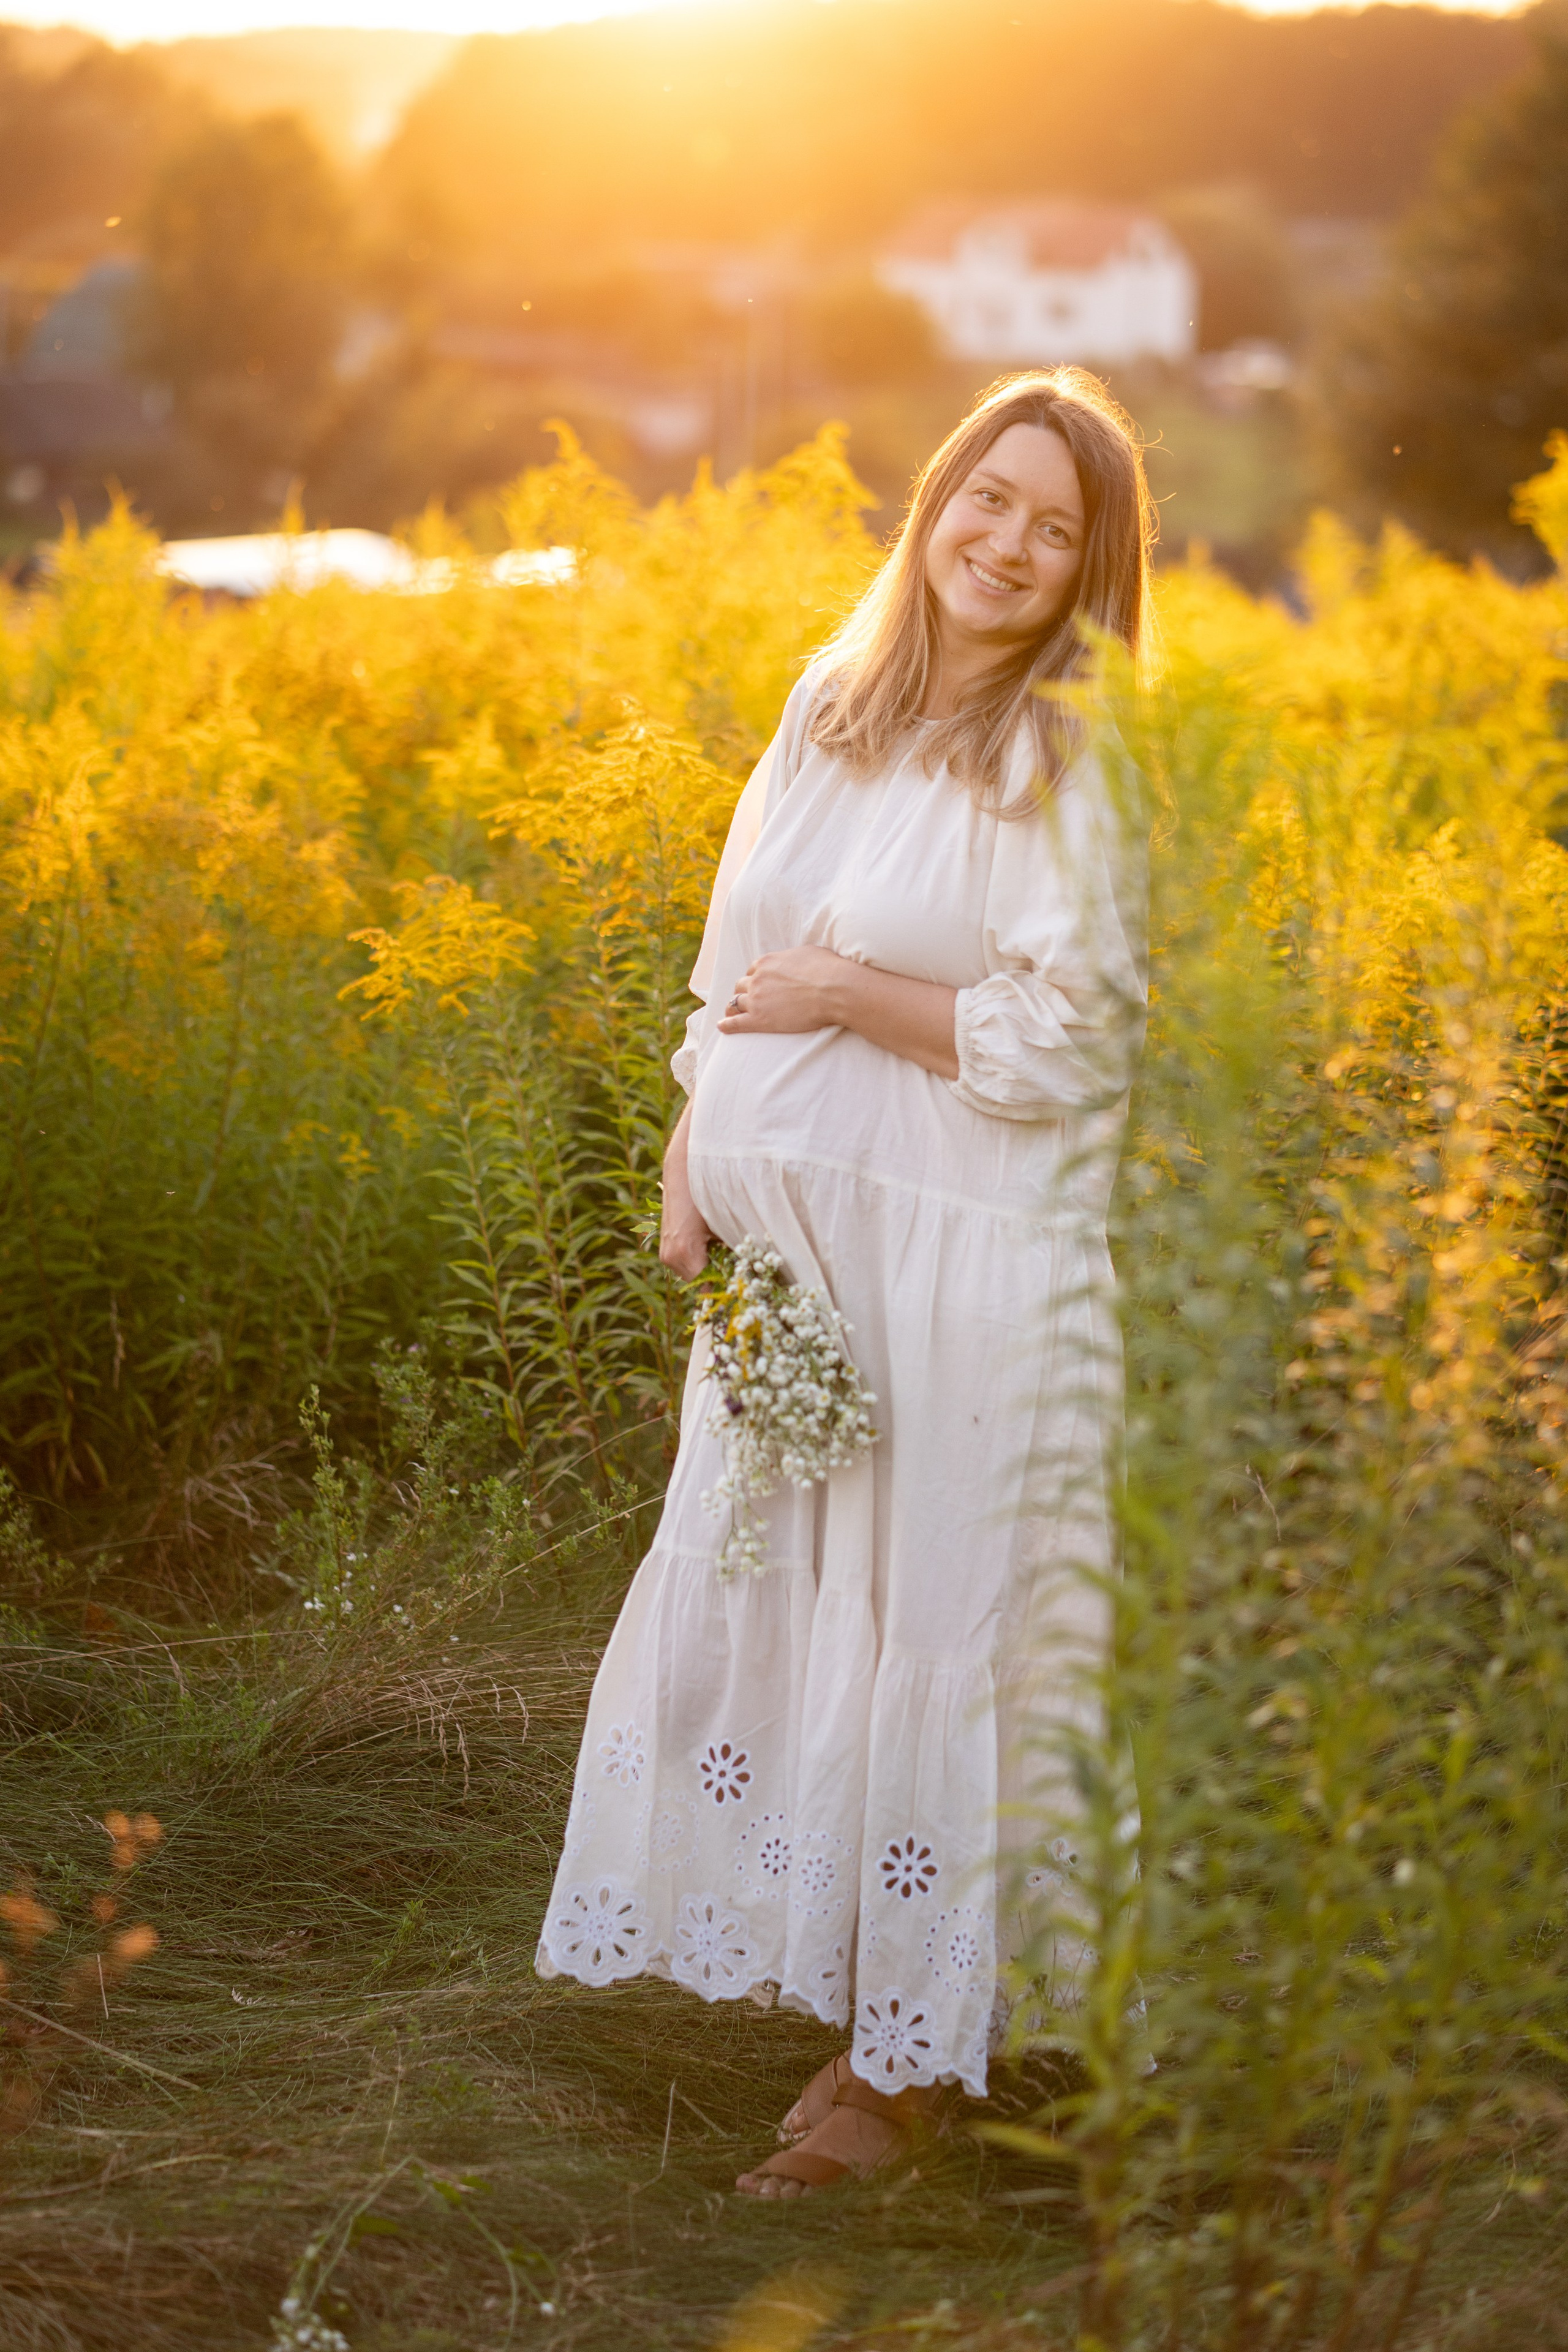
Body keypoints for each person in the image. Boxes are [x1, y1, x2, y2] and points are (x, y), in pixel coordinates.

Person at [535, 368, 1153, 2197]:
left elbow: (1074, 1039)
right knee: (815, 1622)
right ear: (938, 500)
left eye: (1056, 531)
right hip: (798, 1282)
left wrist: (852, 1003)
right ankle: (862, 2026)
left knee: (935, 1627)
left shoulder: (1078, 755)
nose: (1010, 546)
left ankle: (899, 2086)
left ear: (1087, 571)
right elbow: (736, 970)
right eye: (992, 501)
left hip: (971, 1281)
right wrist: (689, 1164)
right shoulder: (835, 700)